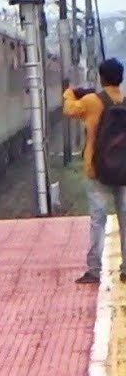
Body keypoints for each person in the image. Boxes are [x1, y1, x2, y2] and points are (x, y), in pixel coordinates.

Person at [64, 58, 126, 284]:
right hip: (124, 172)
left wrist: (70, 92)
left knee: (98, 221)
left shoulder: (92, 101)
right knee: (125, 218)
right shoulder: (125, 100)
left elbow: (69, 109)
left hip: (97, 170)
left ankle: (94, 270)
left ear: (101, 78)